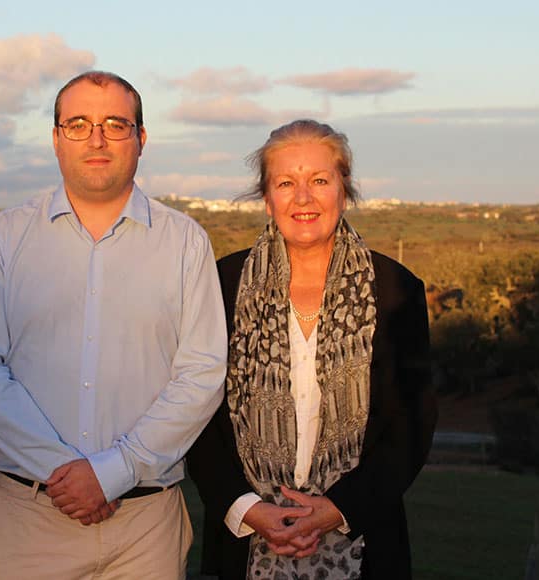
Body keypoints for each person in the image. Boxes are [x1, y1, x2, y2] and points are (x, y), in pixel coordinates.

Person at [0, 70, 227, 579]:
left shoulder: (186, 241)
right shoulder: (5, 237)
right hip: (27, 522)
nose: (96, 139)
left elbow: (202, 373)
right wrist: (70, 477)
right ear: (56, 139)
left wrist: (112, 473)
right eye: (78, 124)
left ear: (141, 139)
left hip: (145, 529)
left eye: (115, 124)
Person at [187, 119, 436, 579]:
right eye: (286, 183)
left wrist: (337, 509)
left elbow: (412, 424)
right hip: (245, 543)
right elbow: (198, 413)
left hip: (365, 537)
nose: (303, 198)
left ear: (345, 190)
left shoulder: (396, 287)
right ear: (267, 198)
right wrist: (245, 508)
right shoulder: (220, 286)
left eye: (319, 180)